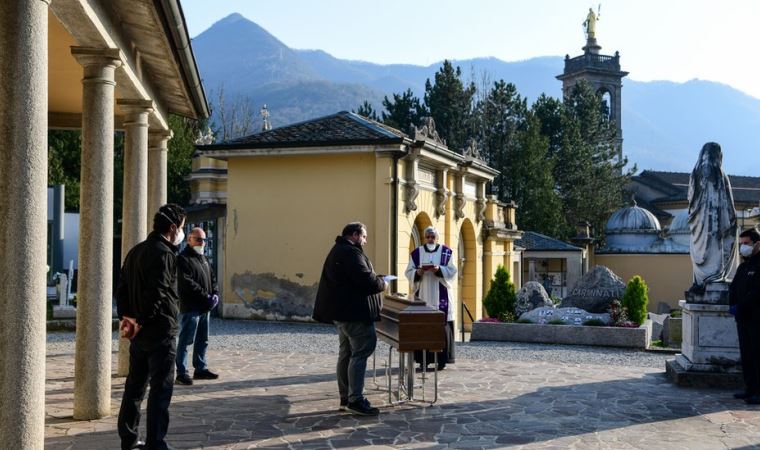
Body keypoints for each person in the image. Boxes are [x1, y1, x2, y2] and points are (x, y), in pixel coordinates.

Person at [116, 203, 186, 450]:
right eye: (182, 228)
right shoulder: (165, 255)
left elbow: (121, 290)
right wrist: (143, 319)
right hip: (160, 332)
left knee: (134, 387)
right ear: (172, 227)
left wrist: (129, 320)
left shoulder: (135, 251)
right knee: (160, 389)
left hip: (138, 333)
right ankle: (156, 443)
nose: (182, 234)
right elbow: (156, 294)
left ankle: (128, 438)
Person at [313, 222, 387, 416]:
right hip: (354, 314)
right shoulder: (350, 253)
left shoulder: (340, 250)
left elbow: (356, 277)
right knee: (360, 352)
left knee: (346, 353)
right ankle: (355, 399)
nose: (365, 240)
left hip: (343, 312)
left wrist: (374, 278)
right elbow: (366, 281)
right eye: (364, 236)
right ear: (354, 235)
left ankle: (346, 397)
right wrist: (382, 282)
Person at [405, 226, 457, 370]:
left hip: (442, 294)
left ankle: (441, 360)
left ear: (437, 238)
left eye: (433, 237)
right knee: (423, 326)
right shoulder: (417, 253)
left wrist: (439, 269)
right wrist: (418, 272)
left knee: (442, 325)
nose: (430, 239)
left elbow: (453, 271)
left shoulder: (446, 252)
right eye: (428, 237)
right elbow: (408, 272)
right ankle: (423, 360)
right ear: (424, 238)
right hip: (423, 294)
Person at [688, 142, 738, 292]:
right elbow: (727, 203)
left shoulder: (695, 173)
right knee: (716, 250)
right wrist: (732, 220)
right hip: (715, 225)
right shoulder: (719, 174)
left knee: (703, 250)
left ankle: (700, 281)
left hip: (698, 225)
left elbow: (690, 199)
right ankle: (715, 276)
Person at [175, 227, 220, 386]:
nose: (202, 242)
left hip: (204, 308)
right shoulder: (183, 259)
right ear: (189, 239)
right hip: (192, 307)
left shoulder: (204, 258)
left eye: (204, 240)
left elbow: (213, 278)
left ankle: (200, 368)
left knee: (203, 339)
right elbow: (188, 283)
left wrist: (215, 293)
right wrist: (206, 296)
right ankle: (181, 372)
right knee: (186, 340)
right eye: (198, 239)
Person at [729, 227, 760, 405]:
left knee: (757, 355)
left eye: (746, 244)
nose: (743, 248)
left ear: (757, 243)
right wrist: (732, 305)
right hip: (743, 318)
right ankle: (750, 389)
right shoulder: (744, 265)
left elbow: (757, 292)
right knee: (747, 355)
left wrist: (741, 305)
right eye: (741, 244)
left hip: (757, 318)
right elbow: (734, 288)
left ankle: (759, 391)